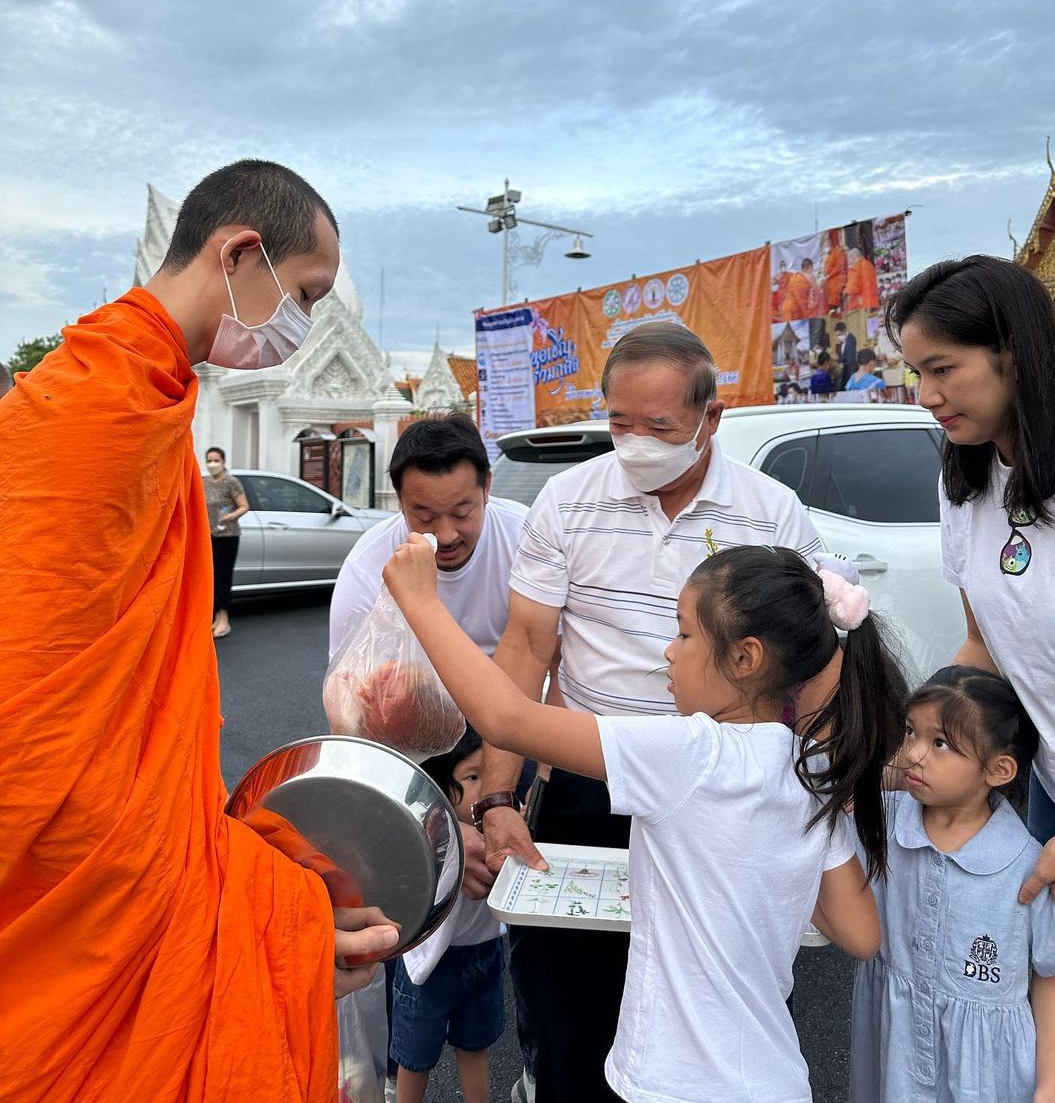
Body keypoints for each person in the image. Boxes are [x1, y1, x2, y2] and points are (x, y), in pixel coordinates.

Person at [0, 160, 400, 1101]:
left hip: (136, 831)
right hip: (88, 885)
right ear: (240, 253)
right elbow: (37, 721)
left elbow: (125, 688)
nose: (297, 326)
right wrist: (239, 902)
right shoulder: (98, 407)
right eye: (303, 293)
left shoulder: (145, 392)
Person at [385, 539, 909, 1103]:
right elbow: (860, 934)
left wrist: (421, 601)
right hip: (774, 1079)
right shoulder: (811, 774)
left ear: (745, 658)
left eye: (684, 634)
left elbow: (506, 718)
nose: (668, 652)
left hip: (669, 1083)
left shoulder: (689, 753)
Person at [472, 322, 826, 1102]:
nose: (635, 444)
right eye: (619, 422)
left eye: (660, 427)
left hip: (721, 796)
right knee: (568, 994)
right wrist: (499, 795)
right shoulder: (568, 500)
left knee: (716, 1003)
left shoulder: (772, 514)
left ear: (712, 416)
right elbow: (527, 647)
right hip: (590, 779)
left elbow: (806, 662)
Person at [888, 255, 1055, 1077]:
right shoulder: (968, 479)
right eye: (915, 372)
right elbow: (984, 649)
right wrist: (909, 744)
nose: (927, 396)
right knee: (1046, 1018)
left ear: (1013, 350)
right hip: (1054, 783)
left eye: (943, 369)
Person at [328, 414, 528, 1096]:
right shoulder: (367, 567)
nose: (445, 534)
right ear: (398, 503)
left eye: (463, 512)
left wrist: (500, 796)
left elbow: (549, 673)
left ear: (488, 490)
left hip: (517, 752)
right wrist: (441, 824)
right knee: (408, 923)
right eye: (423, 514)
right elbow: (351, 715)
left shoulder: (527, 540)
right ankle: (396, 1071)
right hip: (417, 762)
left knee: (522, 918)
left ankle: (535, 1060)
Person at [850, 666, 1055, 1102]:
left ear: (999, 769)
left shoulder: (1026, 865)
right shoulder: (885, 820)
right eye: (911, 732)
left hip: (988, 1077)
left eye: (940, 744)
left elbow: (1053, 977)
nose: (914, 754)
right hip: (895, 1053)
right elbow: (837, 783)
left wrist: (1049, 1087)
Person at [391, 728, 505, 1103]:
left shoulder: (504, 826)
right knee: (415, 1055)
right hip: (428, 965)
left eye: (491, 776)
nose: (485, 787)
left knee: (475, 1043)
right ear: (442, 789)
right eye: (472, 778)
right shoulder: (432, 832)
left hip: (483, 954)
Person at [202, 445, 249, 638]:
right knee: (210, 578)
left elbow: (244, 506)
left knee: (223, 577)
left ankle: (224, 619)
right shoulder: (203, 482)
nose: (213, 464)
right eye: (209, 460)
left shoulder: (231, 482)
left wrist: (230, 517)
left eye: (216, 460)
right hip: (209, 535)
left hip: (227, 535)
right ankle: (213, 618)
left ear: (223, 461)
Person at [844, 244, 880, 311]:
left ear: (853, 257)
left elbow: (852, 288)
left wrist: (845, 299)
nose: (849, 262)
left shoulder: (856, 266)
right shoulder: (869, 264)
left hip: (861, 305)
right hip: (873, 302)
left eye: (849, 259)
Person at [823, 230, 848, 314]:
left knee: (834, 298)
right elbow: (825, 269)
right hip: (829, 282)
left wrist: (829, 275)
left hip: (837, 280)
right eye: (825, 245)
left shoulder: (838, 252)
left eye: (827, 244)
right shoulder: (828, 256)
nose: (825, 246)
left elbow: (840, 266)